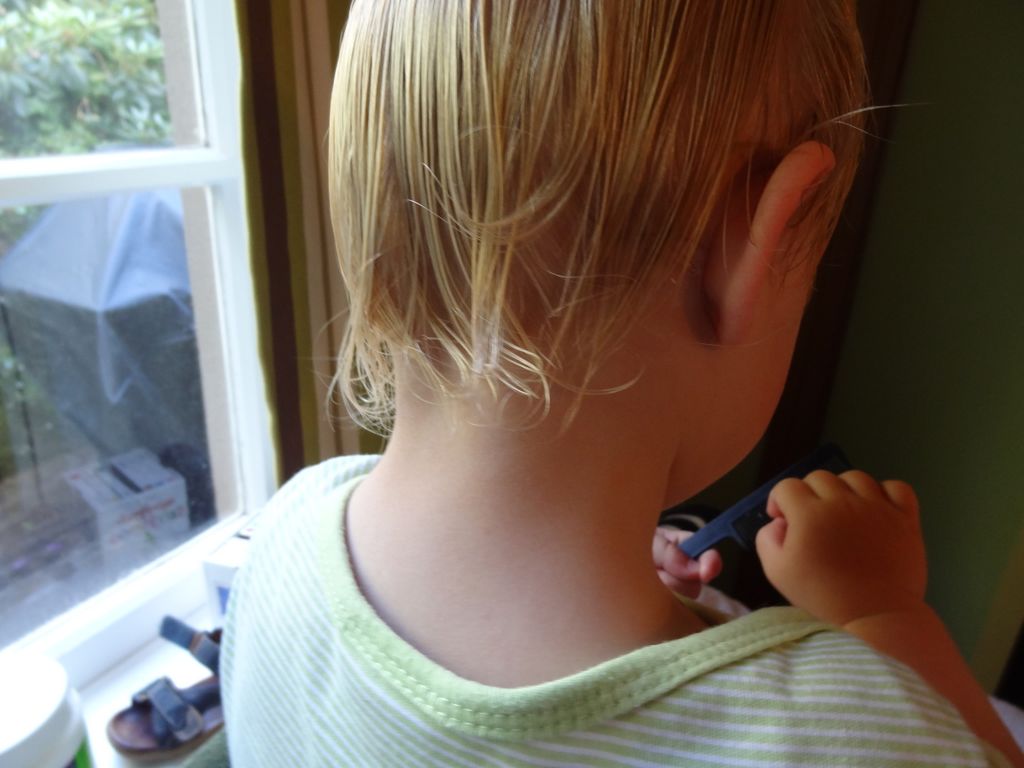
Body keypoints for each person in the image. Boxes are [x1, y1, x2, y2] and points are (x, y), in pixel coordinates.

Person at [218, 1, 1023, 765]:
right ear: (760, 244)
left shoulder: (281, 537)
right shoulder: (853, 738)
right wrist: (883, 614)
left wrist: (622, 566)